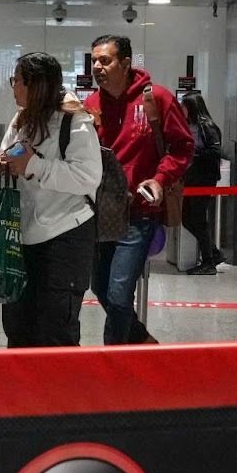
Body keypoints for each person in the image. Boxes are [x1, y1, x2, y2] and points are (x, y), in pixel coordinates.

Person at [84, 34, 194, 345]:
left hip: (139, 214)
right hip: (101, 212)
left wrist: (160, 178)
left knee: (118, 295)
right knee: (101, 288)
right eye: (94, 60)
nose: (97, 66)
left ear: (126, 63)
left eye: (105, 60)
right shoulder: (91, 104)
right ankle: (142, 340)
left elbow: (183, 147)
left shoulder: (155, 99)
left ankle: (114, 365)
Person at [0, 52, 102, 347]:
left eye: (16, 80)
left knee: (55, 331)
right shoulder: (22, 118)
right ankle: (22, 392)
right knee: (17, 327)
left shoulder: (74, 122)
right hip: (24, 235)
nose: (13, 87)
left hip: (65, 238)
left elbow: (89, 177)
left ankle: (57, 393)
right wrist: (2, 161)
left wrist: (35, 166)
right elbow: (11, 151)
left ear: (35, 85)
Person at [180, 92, 224, 275]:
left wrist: (194, 154)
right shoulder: (190, 126)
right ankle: (213, 253)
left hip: (204, 178)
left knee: (198, 219)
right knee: (188, 219)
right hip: (192, 178)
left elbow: (215, 151)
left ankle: (209, 261)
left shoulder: (207, 126)